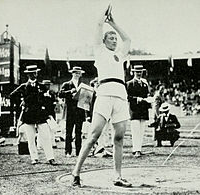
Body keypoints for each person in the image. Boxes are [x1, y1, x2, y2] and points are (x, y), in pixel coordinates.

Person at [72, 6, 132, 187]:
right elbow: (98, 26)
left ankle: (117, 176)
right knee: (93, 135)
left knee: (119, 137)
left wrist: (114, 23)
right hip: (105, 94)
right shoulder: (99, 51)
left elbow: (127, 39)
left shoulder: (120, 55)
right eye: (111, 38)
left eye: (115, 38)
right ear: (104, 41)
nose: (114, 40)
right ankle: (76, 171)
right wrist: (103, 17)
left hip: (120, 95)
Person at [10, 65, 56, 165]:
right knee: (30, 138)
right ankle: (34, 158)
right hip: (29, 114)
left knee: (46, 136)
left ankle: (50, 157)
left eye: (35, 73)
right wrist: (22, 102)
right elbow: (12, 95)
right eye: (31, 73)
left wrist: (47, 111)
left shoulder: (42, 86)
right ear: (28, 75)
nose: (33, 75)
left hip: (40, 114)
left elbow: (48, 100)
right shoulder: (24, 86)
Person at [59, 66, 86, 157]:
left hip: (79, 111)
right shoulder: (66, 84)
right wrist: (70, 91)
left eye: (79, 73)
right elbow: (60, 94)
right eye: (75, 73)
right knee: (69, 132)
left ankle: (79, 152)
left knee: (79, 132)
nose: (77, 74)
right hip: (70, 112)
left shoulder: (83, 85)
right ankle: (68, 151)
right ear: (72, 73)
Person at [126, 65, 151, 158]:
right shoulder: (129, 84)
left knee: (141, 131)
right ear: (134, 72)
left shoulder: (145, 84)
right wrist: (137, 99)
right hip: (134, 110)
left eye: (140, 72)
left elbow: (146, 96)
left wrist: (149, 101)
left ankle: (139, 149)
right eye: (137, 72)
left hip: (143, 110)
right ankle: (136, 149)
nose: (139, 74)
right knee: (135, 130)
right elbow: (127, 97)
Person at [41, 80, 58, 149]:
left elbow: (54, 103)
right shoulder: (41, 93)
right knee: (43, 128)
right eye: (46, 85)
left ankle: (53, 143)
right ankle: (41, 144)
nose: (47, 86)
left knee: (52, 128)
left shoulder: (52, 93)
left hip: (51, 113)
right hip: (43, 113)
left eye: (48, 85)